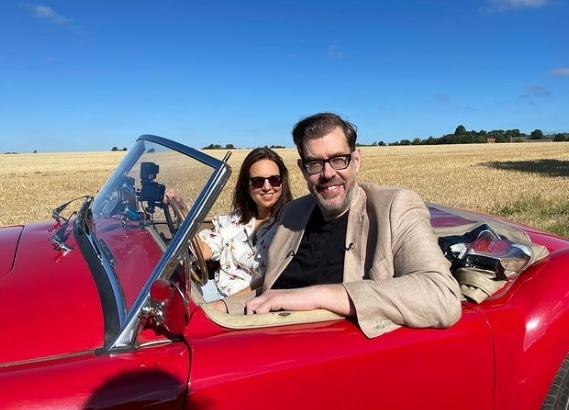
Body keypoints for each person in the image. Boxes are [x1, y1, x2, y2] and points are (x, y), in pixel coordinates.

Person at [212, 112, 462, 338]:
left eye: (338, 159)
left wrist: (318, 295)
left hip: (333, 358)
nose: (328, 173)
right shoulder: (292, 214)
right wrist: (220, 309)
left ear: (356, 160)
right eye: (315, 163)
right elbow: (272, 293)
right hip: (263, 341)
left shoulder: (393, 207)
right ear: (302, 168)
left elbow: (441, 296)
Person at [165, 147, 293, 301]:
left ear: (282, 182)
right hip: (214, 291)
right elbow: (204, 251)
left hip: (246, 303)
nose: (267, 187)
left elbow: (269, 281)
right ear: (247, 185)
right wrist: (183, 210)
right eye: (258, 181)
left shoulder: (290, 226)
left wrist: (223, 305)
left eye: (274, 179)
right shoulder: (236, 219)